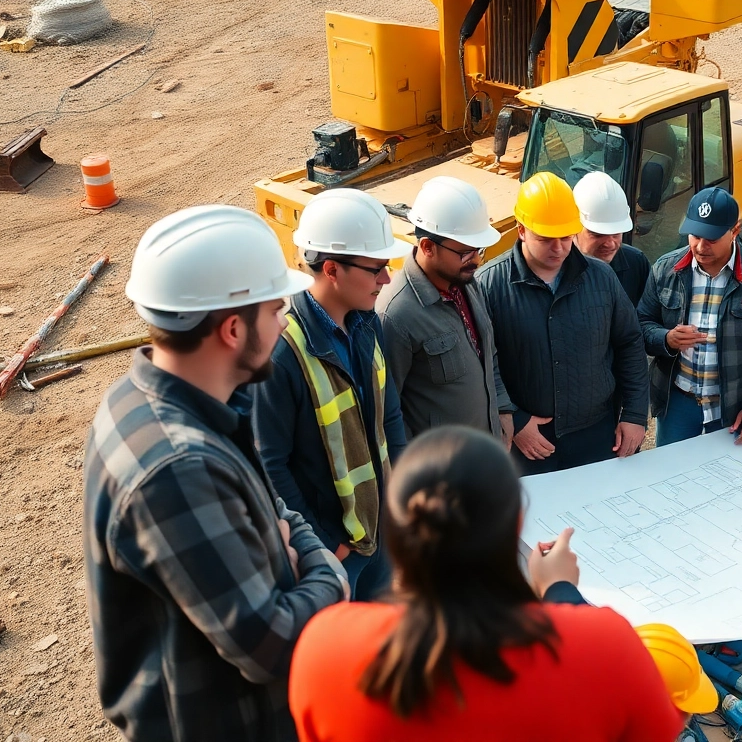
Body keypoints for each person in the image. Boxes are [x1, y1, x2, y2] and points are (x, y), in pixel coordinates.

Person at [84, 206, 348, 741]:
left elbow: (277, 509)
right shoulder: (178, 470)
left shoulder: (165, 398)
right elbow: (271, 646)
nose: (285, 322)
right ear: (232, 329)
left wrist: (287, 547)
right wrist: (330, 578)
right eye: (276, 310)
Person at [288, 428, 687, 742]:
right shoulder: (608, 646)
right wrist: (560, 592)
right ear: (516, 527)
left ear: (396, 531)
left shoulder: (323, 649)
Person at [251, 188, 412, 602]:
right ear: (332, 269)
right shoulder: (284, 353)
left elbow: (388, 416)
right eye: (376, 268)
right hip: (337, 552)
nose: (387, 279)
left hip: (380, 531)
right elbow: (271, 465)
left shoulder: (367, 324)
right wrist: (323, 544)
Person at [476, 172, 649, 475]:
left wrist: (634, 414)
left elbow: (629, 342)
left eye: (566, 237)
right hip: (529, 444)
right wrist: (515, 421)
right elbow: (481, 364)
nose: (558, 249)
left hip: (596, 435)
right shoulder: (490, 286)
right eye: (545, 239)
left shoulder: (601, 277)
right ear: (521, 230)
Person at [637, 187, 742, 446]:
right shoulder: (665, 270)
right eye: (695, 235)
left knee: (729, 483)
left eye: (712, 238)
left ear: (735, 231)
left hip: (732, 408)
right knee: (673, 480)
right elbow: (641, 325)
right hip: (677, 404)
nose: (700, 245)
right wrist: (666, 339)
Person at [378, 176, 513, 445]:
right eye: (465, 252)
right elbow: (387, 414)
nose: (475, 260)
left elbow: (488, 353)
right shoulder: (395, 316)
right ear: (427, 247)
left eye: (479, 249)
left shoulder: (466, 283)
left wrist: (503, 410)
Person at [572, 171, 651, 307]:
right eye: (597, 234)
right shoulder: (554, 269)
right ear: (573, 227)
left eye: (616, 234)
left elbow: (647, 318)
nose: (610, 244)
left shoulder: (636, 264)